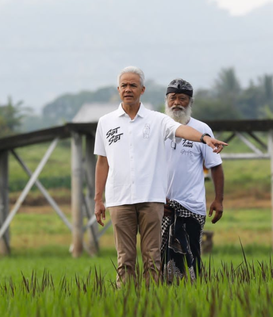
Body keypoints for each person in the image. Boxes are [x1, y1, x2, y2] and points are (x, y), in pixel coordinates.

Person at [94, 66, 227, 286]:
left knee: (153, 258)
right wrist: (98, 199)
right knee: (125, 259)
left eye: (133, 85)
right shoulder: (106, 122)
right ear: (118, 89)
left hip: (152, 200)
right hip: (120, 199)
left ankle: (153, 302)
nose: (128, 89)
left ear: (142, 90)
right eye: (124, 85)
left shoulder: (156, 120)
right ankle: (125, 306)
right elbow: (102, 162)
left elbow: (181, 130)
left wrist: (204, 138)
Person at [161, 78, 224, 283]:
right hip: (160, 206)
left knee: (192, 259)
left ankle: (195, 295)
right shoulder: (156, 127)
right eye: (173, 98)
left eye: (182, 98)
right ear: (166, 100)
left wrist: (218, 200)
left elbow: (215, 165)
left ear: (190, 102)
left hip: (191, 207)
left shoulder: (201, 129)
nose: (177, 102)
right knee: (159, 261)